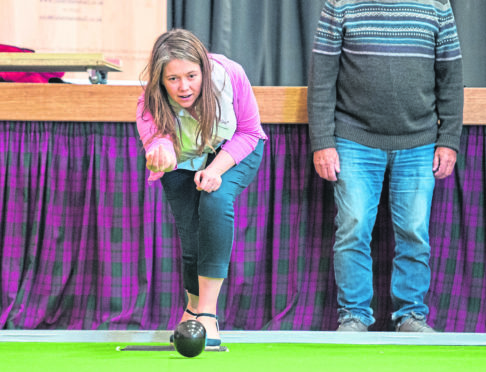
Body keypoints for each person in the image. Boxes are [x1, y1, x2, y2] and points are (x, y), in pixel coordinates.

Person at [308, 0, 463, 332]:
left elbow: (450, 77)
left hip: (420, 141)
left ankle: (411, 315)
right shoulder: (340, 4)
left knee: (414, 231)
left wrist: (448, 139)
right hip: (354, 138)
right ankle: (353, 316)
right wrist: (322, 141)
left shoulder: (437, 6)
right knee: (352, 227)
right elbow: (322, 77)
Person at [136, 29, 267, 347]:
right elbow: (160, 149)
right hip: (184, 159)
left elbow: (249, 132)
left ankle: (208, 314)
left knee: (215, 200)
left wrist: (215, 169)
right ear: (160, 80)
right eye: (173, 79)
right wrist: (159, 154)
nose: (184, 87)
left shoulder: (230, 74)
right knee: (190, 230)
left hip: (237, 148)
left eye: (191, 75)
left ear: (203, 69)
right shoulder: (148, 105)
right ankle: (193, 307)